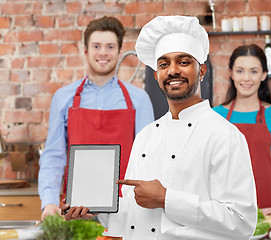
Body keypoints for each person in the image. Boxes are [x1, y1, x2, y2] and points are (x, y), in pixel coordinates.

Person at [62, 15, 257, 240]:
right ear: (156, 76)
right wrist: (96, 210)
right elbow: (132, 218)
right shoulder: (146, 135)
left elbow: (242, 222)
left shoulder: (225, 136)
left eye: (183, 62)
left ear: (201, 71)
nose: (173, 70)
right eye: (164, 64)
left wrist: (167, 199)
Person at [38, 16, 154, 220]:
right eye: (96, 46)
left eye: (110, 46)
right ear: (86, 51)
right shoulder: (63, 98)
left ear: (119, 52)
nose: (103, 52)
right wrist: (49, 202)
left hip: (125, 211)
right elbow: (53, 156)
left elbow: (148, 159)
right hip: (76, 211)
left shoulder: (139, 100)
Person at [213, 44, 271, 217]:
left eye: (254, 71)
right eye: (240, 71)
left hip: (269, 207)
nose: (246, 78)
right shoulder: (215, 115)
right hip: (227, 211)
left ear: (263, 75)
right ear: (231, 73)